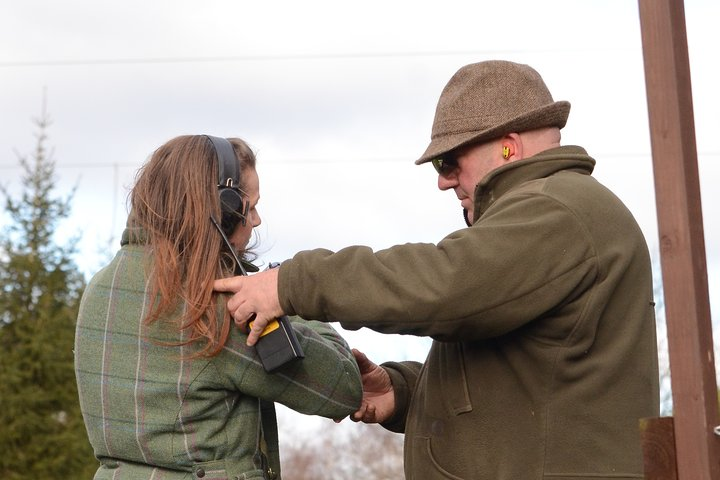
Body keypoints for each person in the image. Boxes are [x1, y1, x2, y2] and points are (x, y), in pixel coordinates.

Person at [214, 60, 660, 479]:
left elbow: (445, 284)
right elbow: (514, 380)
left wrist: (291, 282)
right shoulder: (551, 213)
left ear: (509, 145)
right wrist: (402, 392)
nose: (443, 180)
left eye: (450, 161)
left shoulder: (556, 209)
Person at [74, 134, 362, 480]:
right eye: (250, 206)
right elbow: (343, 387)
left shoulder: (101, 286)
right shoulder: (214, 305)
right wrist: (283, 293)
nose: (256, 221)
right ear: (221, 212)